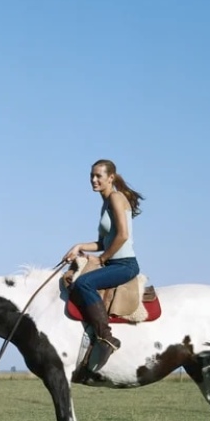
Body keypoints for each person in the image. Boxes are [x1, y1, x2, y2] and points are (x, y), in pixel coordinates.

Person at [62, 159, 144, 372]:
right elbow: (102, 242)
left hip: (125, 265)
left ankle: (106, 338)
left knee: (84, 283)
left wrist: (101, 258)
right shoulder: (105, 203)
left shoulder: (116, 197)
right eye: (92, 175)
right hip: (113, 261)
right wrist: (79, 246)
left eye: (98, 176)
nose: (94, 179)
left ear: (111, 178)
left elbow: (123, 235)